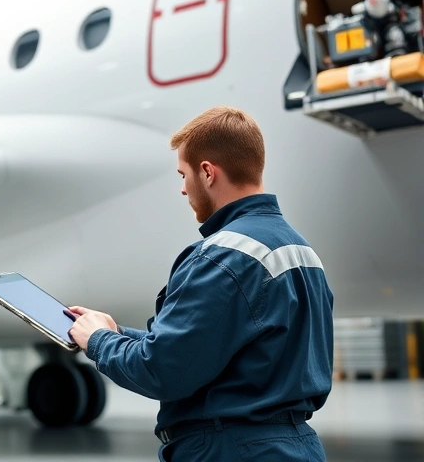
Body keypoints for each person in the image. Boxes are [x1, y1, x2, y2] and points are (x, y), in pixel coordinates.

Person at [67, 106, 333, 461]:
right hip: (296, 446)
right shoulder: (300, 251)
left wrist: (99, 342)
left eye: (184, 174)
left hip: (230, 450)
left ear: (207, 172)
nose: (182, 189)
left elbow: (162, 370)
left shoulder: (222, 257)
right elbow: (222, 347)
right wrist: (117, 332)